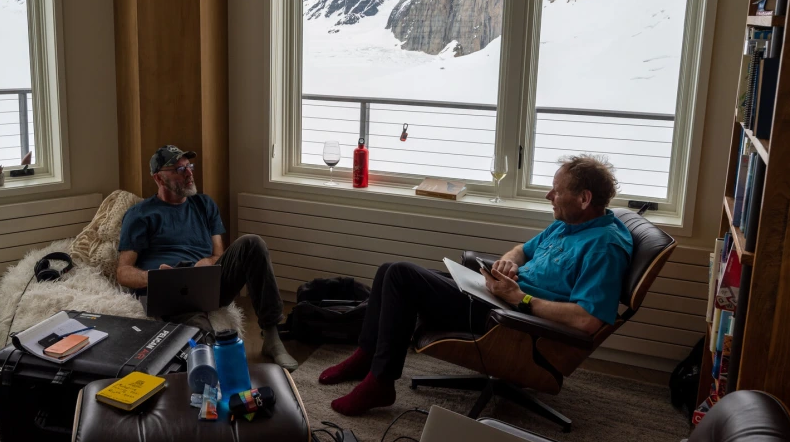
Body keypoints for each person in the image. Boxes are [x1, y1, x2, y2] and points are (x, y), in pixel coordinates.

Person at [320, 154, 632, 415]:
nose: (549, 196)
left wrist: (521, 298)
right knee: (388, 270)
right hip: (499, 297)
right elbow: (523, 250)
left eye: (556, 191)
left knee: (401, 275)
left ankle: (380, 382)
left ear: (584, 198)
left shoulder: (605, 247)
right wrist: (509, 261)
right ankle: (366, 357)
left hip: (510, 323)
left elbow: (587, 320)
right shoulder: (569, 224)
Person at [116, 145, 298, 371]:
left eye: (189, 166)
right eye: (179, 169)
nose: (189, 173)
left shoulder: (204, 204)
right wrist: (153, 278)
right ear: (159, 179)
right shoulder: (140, 214)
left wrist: (208, 263)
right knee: (205, 350)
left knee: (252, 243)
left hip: (207, 279)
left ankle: (272, 338)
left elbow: (218, 254)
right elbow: (123, 271)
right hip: (171, 287)